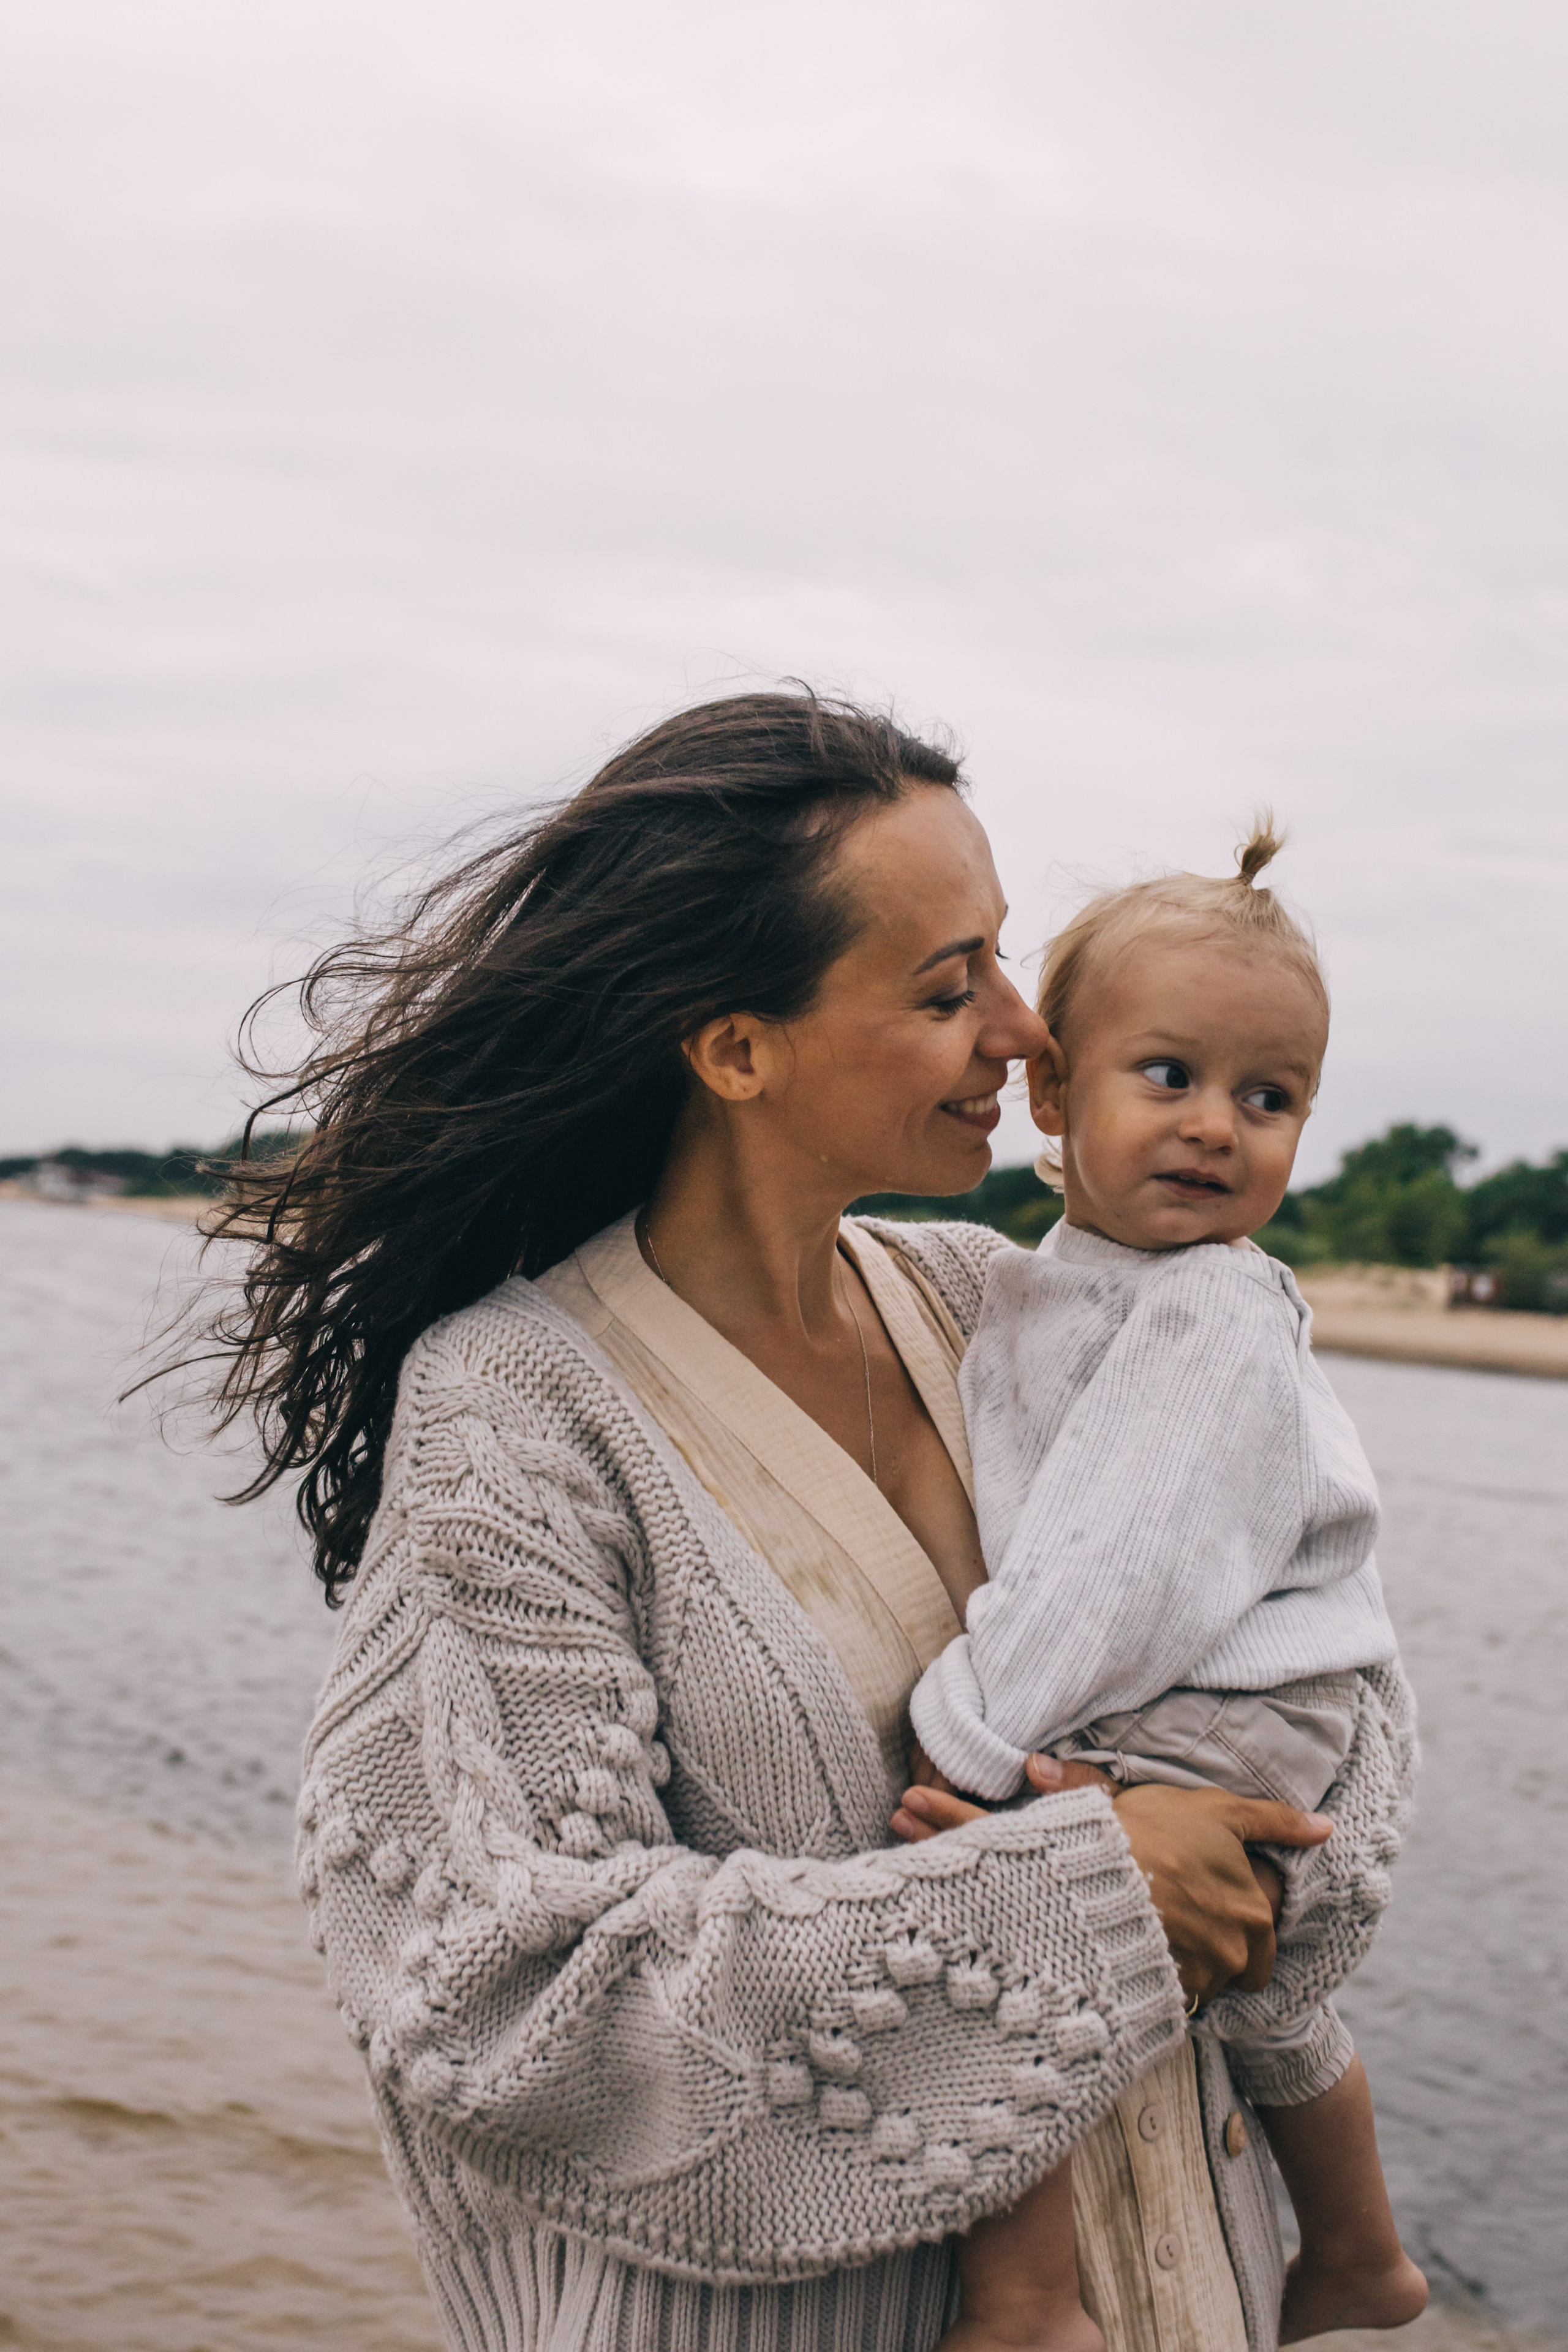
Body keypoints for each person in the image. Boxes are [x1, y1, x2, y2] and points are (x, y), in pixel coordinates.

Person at [195, 692, 1415, 2352]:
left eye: (1003, 959)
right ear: (737, 1046)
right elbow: (505, 1997)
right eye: (949, 984)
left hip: (1184, 2289)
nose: (1023, 1030)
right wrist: (1084, 1889)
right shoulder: (515, 1412)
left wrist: (1255, 1865)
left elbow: (1327, 1662)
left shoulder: (1015, 1304)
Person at [907, 828, 1428, 2350]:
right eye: (1169, 1077)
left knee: (1016, 1919)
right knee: (1256, 1995)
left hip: (1225, 1695)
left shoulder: (1207, 1310)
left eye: (1266, 1099)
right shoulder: (1041, 1283)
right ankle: (1359, 2252)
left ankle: (1025, 2303)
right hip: (1224, 1682)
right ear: (1055, 1098)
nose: (1216, 1127)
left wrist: (972, 1746)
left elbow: (1111, 1579)